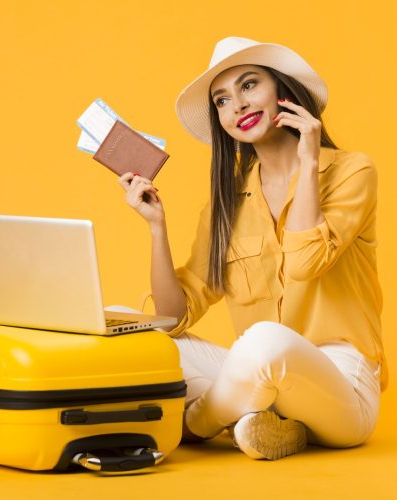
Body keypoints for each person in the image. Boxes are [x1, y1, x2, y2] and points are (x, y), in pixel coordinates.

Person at [116, 36, 387, 460]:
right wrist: (156, 228)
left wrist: (310, 161)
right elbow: (171, 317)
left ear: (283, 90)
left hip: (342, 384)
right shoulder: (228, 203)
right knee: (134, 333)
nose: (236, 106)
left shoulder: (352, 171)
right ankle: (260, 424)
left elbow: (304, 261)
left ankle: (198, 423)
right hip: (260, 377)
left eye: (248, 85)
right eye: (221, 100)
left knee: (264, 342)